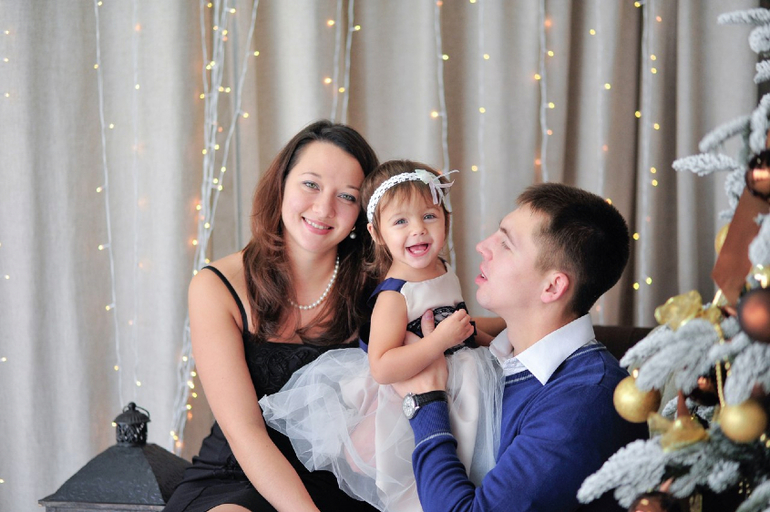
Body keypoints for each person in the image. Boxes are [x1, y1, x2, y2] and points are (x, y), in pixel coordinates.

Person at [258, 161, 502, 512]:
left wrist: (501, 333)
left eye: (429, 216)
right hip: (408, 396)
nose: (418, 230)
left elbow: (459, 326)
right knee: (418, 489)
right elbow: (382, 366)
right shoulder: (394, 296)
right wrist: (438, 342)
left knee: (469, 468)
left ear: (446, 220)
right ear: (376, 233)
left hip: (461, 383)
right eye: (401, 221)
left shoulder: (442, 269)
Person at [163, 120, 380, 512]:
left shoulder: (379, 285)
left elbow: (451, 328)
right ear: (281, 185)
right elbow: (244, 430)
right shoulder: (217, 286)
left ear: (362, 212)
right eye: (311, 184)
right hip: (237, 474)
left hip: (340, 483)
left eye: (347, 196)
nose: (324, 208)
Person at [393, 182, 649, 512]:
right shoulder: (492, 356)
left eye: (506, 244)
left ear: (552, 287)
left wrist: (426, 402)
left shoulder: (583, 402)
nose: (482, 247)